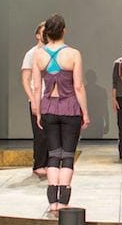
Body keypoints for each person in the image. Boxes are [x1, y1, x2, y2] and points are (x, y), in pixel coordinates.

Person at [30, 14, 90, 212]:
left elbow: (37, 88)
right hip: (70, 108)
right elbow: (79, 86)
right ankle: (63, 201)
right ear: (64, 30)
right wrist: (85, 112)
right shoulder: (73, 54)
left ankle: (52, 201)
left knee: (53, 155)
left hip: (48, 108)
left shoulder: (38, 55)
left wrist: (38, 112)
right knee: (68, 156)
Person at [21, 22, 49, 176]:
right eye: (43, 32)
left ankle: (49, 164)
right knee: (40, 133)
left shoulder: (51, 52)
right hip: (37, 98)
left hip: (52, 98)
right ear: (37, 35)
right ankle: (38, 164)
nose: (45, 34)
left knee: (51, 133)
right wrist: (32, 99)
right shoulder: (31, 54)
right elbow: (26, 79)